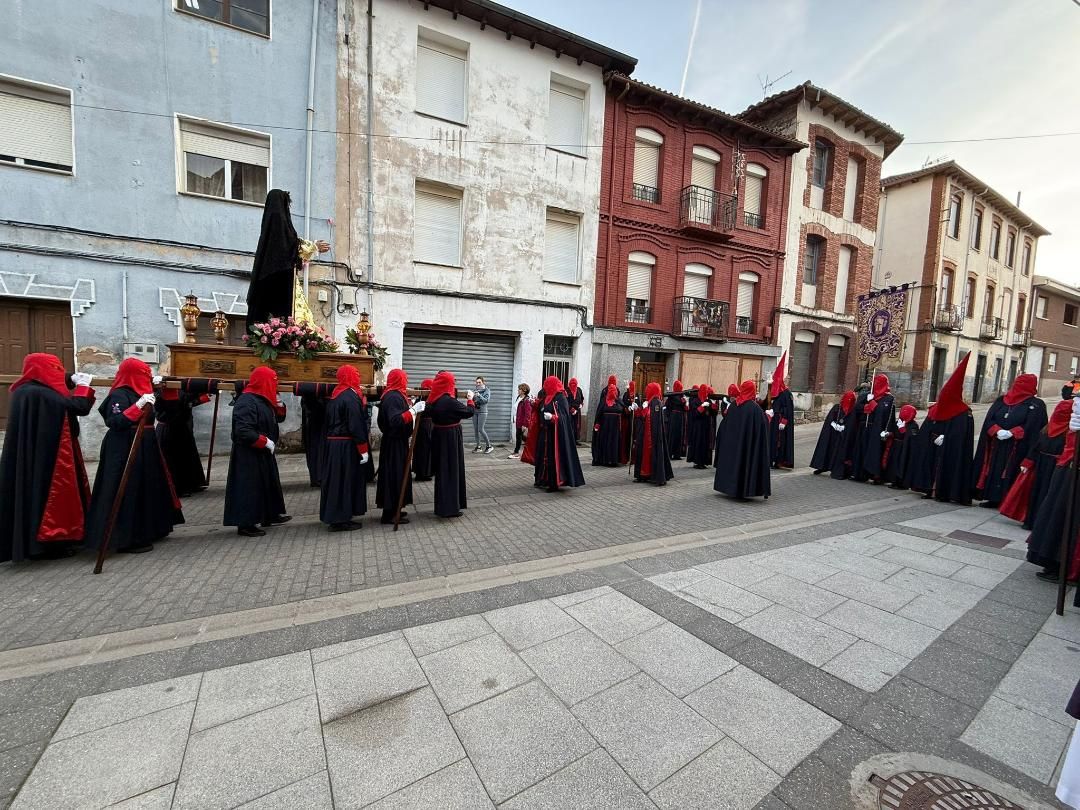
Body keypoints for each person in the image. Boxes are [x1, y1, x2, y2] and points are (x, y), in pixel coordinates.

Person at [0, 355, 95, 562]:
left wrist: (71, 378)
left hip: (38, 456)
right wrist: (83, 387)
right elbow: (78, 406)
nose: (59, 372)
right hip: (50, 460)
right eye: (55, 368)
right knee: (48, 499)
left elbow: (58, 383)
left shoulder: (24, 390)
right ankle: (49, 545)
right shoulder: (42, 394)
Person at [86, 358, 183, 554]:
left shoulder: (145, 392)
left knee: (147, 487)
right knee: (128, 489)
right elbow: (115, 421)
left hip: (146, 444)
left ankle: (150, 529)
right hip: (124, 446)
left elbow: (169, 414)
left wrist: (167, 392)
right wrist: (137, 405)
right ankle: (126, 537)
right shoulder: (119, 395)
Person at [246, 189, 329, 329]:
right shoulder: (279, 220)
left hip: (270, 277)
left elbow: (289, 244)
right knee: (288, 318)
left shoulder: (268, 227)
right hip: (280, 280)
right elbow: (289, 244)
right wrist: (314, 246)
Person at [223, 367, 288, 537]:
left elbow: (278, 418)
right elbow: (242, 430)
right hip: (249, 453)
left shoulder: (263, 399)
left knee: (268, 483)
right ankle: (245, 523)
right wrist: (264, 441)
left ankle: (269, 515)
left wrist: (279, 401)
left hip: (263, 451)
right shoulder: (246, 401)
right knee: (249, 487)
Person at [905, 352, 975, 504]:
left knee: (947, 467)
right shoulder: (935, 408)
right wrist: (928, 437)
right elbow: (927, 426)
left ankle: (945, 491)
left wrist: (947, 438)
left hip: (950, 448)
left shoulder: (964, 412)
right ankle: (928, 488)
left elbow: (962, 435)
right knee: (930, 465)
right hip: (932, 445)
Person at [972, 372, 1047, 508]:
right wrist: (996, 430)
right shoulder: (1002, 400)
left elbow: (1035, 427)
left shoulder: (1036, 404)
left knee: (1012, 471)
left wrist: (1013, 432)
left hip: (1018, 446)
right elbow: (990, 419)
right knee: (994, 469)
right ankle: (992, 498)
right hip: (997, 444)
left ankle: (1007, 501)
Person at [1026, 395, 1080, 581]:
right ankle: (1051, 560)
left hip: (1070, 470)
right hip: (1064, 469)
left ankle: (1062, 564)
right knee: (1055, 514)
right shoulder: (1051, 430)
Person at [1000, 398, 1071, 529]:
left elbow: (1036, 446)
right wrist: (1028, 461)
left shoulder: (1054, 429)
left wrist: (1029, 461)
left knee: (1042, 493)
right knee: (1038, 493)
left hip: (1049, 465)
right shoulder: (1055, 430)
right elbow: (1036, 446)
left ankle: (1035, 522)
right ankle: (1032, 521)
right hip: (1049, 466)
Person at [319, 366, 370, 532]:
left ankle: (337, 515)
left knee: (336, 481)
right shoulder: (350, 397)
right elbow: (355, 424)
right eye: (356, 374)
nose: (359, 377)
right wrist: (363, 448)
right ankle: (340, 519)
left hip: (334, 444)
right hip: (345, 445)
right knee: (344, 481)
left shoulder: (336, 394)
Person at [375, 369, 423, 525]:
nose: (406, 381)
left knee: (399, 475)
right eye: (404, 379)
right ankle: (389, 514)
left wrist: (413, 407)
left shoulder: (396, 395)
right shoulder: (393, 397)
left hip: (398, 442)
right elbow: (396, 420)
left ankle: (395, 508)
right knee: (393, 476)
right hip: (393, 443)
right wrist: (413, 411)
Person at [426, 371, 476, 518]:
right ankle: (450, 508)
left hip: (438, 436)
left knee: (443, 472)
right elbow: (468, 412)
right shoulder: (448, 401)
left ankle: (443, 506)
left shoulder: (433, 400)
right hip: (450, 438)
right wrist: (470, 400)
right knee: (451, 471)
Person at [713, 379, 770, 500]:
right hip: (747, 446)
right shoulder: (755, 409)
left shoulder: (733, 406)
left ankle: (731, 488)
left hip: (733, 445)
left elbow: (726, 425)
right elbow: (762, 428)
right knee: (745, 463)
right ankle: (744, 489)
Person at [156, 387, 211, 496]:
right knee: (175, 458)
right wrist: (197, 397)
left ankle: (191, 484)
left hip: (181, 426)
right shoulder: (161, 391)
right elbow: (180, 405)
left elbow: (187, 404)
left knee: (187, 455)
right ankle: (177, 487)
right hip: (169, 428)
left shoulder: (183, 389)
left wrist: (200, 398)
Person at [534, 375, 585, 491]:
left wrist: (553, 417)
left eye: (547, 384)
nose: (545, 386)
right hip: (544, 432)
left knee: (553, 458)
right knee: (541, 456)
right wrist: (535, 404)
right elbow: (541, 408)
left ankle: (553, 483)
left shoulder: (561, 397)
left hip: (555, 435)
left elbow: (564, 416)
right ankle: (541, 479)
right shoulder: (546, 396)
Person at [857, 374, 895, 483]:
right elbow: (858, 408)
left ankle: (876, 475)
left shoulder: (889, 398)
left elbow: (889, 416)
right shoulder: (869, 395)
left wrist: (887, 430)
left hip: (879, 430)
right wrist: (866, 403)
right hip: (867, 427)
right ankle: (862, 474)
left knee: (876, 452)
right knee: (864, 450)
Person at [633, 382, 673, 485]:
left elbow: (651, 418)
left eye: (648, 389)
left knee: (651, 454)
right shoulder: (650, 401)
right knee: (642, 453)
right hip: (645, 434)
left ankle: (655, 476)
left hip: (653, 436)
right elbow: (642, 417)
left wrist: (644, 408)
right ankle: (642, 475)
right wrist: (637, 409)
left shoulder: (656, 402)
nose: (646, 391)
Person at [810, 391, 854, 476]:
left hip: (843, 435)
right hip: (832, 434)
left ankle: (835, 468)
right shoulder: (837, 407)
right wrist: (834, 424)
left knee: (838, 452)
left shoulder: (853, 410)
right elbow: (830, 418)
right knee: (828, 449)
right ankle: (822, 466)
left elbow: (853, 423)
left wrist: (845, 428)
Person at [765, 354, 795, 470]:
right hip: (775, 420)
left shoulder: (787, 394)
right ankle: (772, 459)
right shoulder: (777, 392)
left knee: (779, 442)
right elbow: (771, 403)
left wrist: (784, 421)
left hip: (781, 423)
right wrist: (771, 410)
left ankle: (778, 461)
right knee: (773, 440)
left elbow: (788, 409)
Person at [885, 405, 919, 489]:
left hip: (905, 448)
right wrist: (888, 434)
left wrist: (903, 429)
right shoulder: (898, 422)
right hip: (896, 446)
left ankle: (901, 484)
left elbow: (912, 437)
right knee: (894, 464)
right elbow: (893, 432)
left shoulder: (913, 425)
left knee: (902, 464)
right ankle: (894, 481)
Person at [591, 382, 624, 467]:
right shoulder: (603, 402)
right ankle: (604, 460)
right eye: (611, 390)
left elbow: (625, 411)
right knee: (605, 442)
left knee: (614, 443)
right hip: (605, 427)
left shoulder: (619, 401)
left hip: (615, 428)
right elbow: (599, 414)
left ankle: (613, 460)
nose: (613, 392)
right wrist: (597, 424)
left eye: (614, 390)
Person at [300, 393, 327, 487]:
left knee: (315, 451)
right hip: (315, 422)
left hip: (315, 421)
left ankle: (317, 477)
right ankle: (317, 478)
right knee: (316, 450)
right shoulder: (310, 395)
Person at [412, 378, 435, 481]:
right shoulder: (430, 399)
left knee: (420, 449)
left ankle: (420, 472)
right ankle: (425, 473)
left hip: (420, 426)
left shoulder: (419, 399)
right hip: (427, 426)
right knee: (426, 450)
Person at [686, 383, 712, 469]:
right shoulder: (695, 401)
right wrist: (702, 406)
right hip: (698, 426)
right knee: (698, 442)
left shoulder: (708, 400)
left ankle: (704, 461)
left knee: (705, 443)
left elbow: (713, 413)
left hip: (706, 425)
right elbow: (694, 414)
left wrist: (714, 405)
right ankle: (698, 461)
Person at [665, 381, 689, 460]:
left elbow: (685, 408)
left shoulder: (681, 395)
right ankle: (670, 453)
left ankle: (677, 454)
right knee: (673, 435)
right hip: (674, 416)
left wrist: (685, 402)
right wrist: (683, 401)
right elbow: (669, 405)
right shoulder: (673, 396)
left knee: (679, 435)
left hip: (680, 417)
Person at [509, 383, 532, 459]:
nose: (518, 390)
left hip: (522, 422)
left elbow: (528, 413)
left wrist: (525, 425)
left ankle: (516, 452)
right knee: (522, 437)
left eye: (519, 389)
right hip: (517, 420)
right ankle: (530, 450)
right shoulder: (519, 397)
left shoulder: (526, 400)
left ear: (524, 391)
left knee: (519, 437)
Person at [471, 376, 492, 454]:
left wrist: (479, 395)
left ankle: (489, 446)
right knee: (476, 430)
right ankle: (478, 447)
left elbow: (486, 401)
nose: (478, 384)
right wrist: (471, 397)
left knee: (480, 429)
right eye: (477, 382)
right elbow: (473, 400)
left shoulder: (487, 390)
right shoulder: (475, 390)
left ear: (483, 382)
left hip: (482, 412)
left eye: (479, 382)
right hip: (475, 411)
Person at [620, 381, 638, 463]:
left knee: (633, 438)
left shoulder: (636, 395)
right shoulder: (625, 394)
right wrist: (628, 407)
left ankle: (633, 458)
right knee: (627, 438)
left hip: (634, 420)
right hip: (627, 419)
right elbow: (623, 404)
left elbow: (639, 405)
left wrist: (636, 407)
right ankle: (625, 456)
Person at [567, 378, 585, 445]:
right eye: (572, 384)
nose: (573, 385)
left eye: (575, 384)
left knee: (577, 425)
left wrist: (581, 404)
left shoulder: (579, 390)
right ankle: (569, 440)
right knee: (570, 425)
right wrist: (571, 409)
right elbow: (566, 401)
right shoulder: (567, 390)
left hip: (577, 410)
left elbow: (582, 398)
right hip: (570, 411)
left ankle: (575, 440)